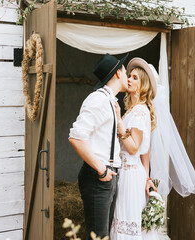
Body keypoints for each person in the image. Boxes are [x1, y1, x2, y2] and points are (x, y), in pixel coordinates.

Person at [110, 58, 195, 240]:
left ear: (143, 84)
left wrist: (119, 122)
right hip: (133, 174)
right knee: (127, 222)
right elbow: (146, 152)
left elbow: (133, 148)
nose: (129, 79)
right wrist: (147, 178)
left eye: (135, 77)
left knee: (128, 224)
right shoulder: (132, 110)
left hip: (130, 176)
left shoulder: (139, 111)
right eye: (129, 76)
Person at [68, 53, 129, 240]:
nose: (127, 76)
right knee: (98, 236)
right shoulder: (98, 100)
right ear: (118, 73)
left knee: (103, 236)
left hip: (107, 175)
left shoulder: (110, 101)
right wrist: (102, 170)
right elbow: (76, 137)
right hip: (98, 177)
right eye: (125, 71)